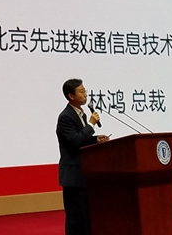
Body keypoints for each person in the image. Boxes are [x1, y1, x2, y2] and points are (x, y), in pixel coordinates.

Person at [56, 78, 110, 235]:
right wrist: (91, 124)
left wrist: (95, 139)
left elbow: (82, 139)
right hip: (73, 177)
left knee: (86, 218)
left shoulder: (81, 114)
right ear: (71, 96)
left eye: (85, 91)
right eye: (81, 91)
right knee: (76, 219)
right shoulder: (65, 117)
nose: (85, 94)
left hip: (84, 174)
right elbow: (75, 141)